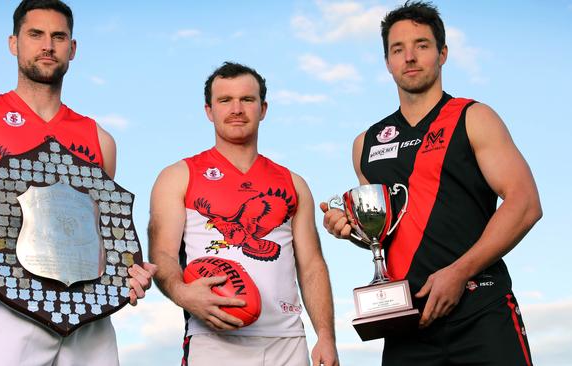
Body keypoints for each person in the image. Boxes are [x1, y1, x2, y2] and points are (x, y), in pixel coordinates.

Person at [0, 1, 156, 365]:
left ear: (72, 49)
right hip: (8, 302)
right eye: (36, 34)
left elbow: (106, 235)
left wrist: (131, 273)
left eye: (58, 36)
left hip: (88, 315)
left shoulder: (100, 139)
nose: (48, 45)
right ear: (14, 43)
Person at [321, 1, 542, 365]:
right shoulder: (367, 143)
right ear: (387, 61)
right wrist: (353, 230)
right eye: (397, 49)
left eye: (421, 45)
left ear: (442, 54)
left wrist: (459, 272)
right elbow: (388, 233)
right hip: (407, 322)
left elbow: (525, 204)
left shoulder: (474, 117)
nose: (409, 57)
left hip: (480, 308)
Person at [149, 62, 339, 366]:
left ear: (263, 109)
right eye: (225, 100)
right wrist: (184, 295)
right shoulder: (179, 175)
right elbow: (162, 254)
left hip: (287, 341)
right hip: (214, 338)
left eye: (247, 100)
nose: (236, 109)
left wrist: (326, 336)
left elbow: (312, 265)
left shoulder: (293, 182)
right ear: (209, 111)